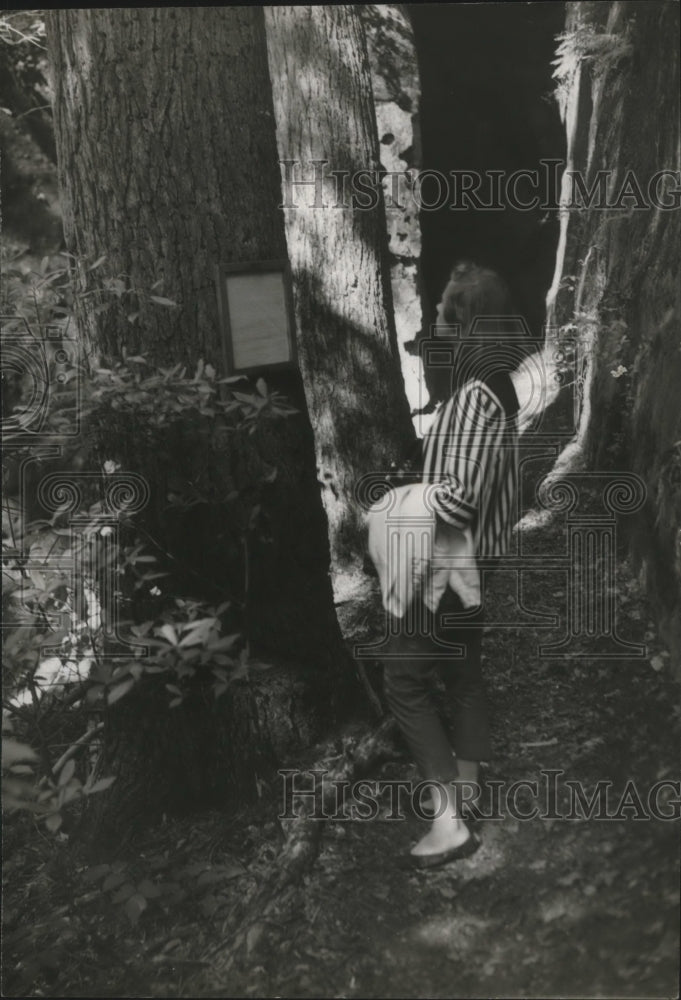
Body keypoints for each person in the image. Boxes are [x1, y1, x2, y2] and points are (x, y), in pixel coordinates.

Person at [381, 261, 520, 868]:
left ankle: (448, 822)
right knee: (462, 675)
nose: (432, 319)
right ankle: (466, 791)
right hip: (473, 567)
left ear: (463, 324)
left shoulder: (471, 403)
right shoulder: (494, 391)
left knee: (404, 680)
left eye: (440, 310)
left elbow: (456, 500)